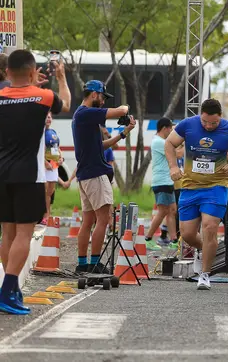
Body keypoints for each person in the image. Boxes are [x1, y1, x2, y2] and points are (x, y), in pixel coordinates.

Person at [0, 50, 70, 315]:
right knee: (24, 234)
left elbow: (15, 91)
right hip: (28, 173)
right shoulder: (44, 96)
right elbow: (65, 103)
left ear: (8, 72)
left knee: (7, 232)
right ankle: (7, 290)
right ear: (32, 72)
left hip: (1, 173)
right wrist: (61, 77)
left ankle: (12, 288)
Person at [165, 99, 228, 290]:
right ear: (201, 116)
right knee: (188, 234)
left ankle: (205, 275)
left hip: (217, 186)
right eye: (205, 122)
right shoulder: (187, 125)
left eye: (213, 123)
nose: (208, 126)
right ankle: (206, 249)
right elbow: (169, 144)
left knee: (209, 227)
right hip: (190, 186)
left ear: (220, 117)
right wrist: (173, 166)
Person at [72, 80, 136, 274]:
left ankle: (82, 264)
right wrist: (124, 109)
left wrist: (123, 134)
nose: (102, 101)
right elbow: (120, 110)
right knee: (103, 218)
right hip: (96, 174)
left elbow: (101, 146)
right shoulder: (86, 113)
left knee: (88, 220)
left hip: (86, 174)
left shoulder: (82, 117)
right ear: (93, 94)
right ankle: (95, 262)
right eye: (102, 97)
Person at [146, 118, 179, 247]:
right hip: (162, 181)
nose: (171, 131)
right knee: (163, 211)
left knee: (171, 210)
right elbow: (178, 154)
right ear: (165, 128)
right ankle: (148, 238)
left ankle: (174, 240)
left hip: (166, 181)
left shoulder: (161, 141)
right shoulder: (159, 142)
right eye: (170, 128)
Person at [43, 113, 63, 220]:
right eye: (46, 117)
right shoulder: (40, 133)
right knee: (44, 192)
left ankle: (48, 215)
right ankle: (44, 215)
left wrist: (61, 158)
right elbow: (38, 150)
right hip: (45, 167)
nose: (48, 119)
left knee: (50, 193)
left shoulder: (53, 132)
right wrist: (45, 162)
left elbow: (58, 148)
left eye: (50, 117)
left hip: (54, 166)